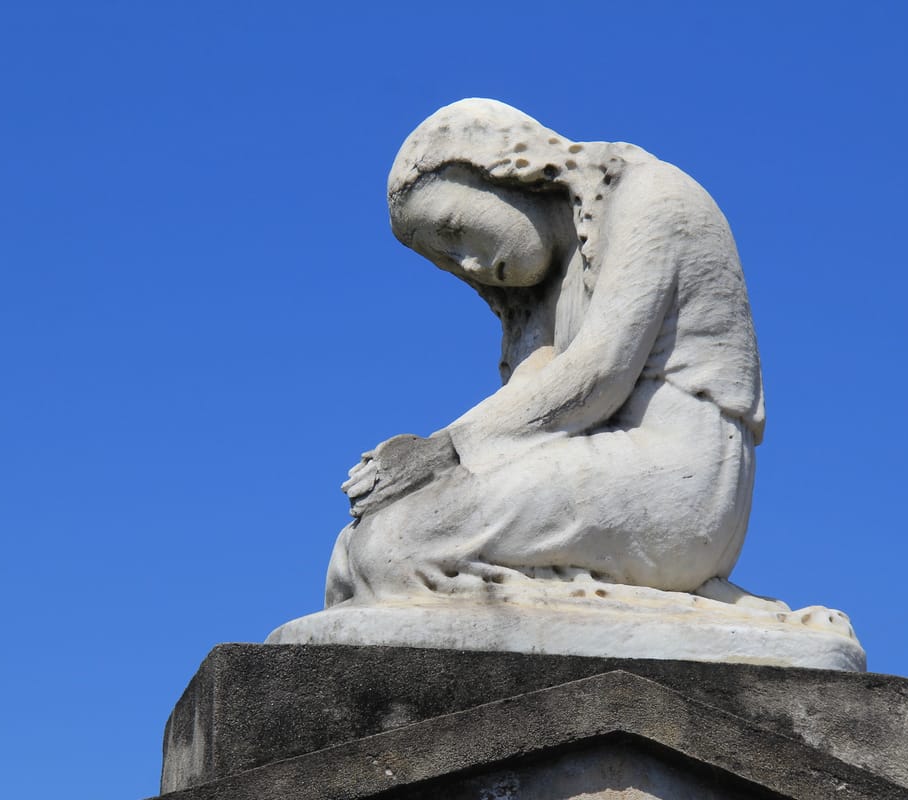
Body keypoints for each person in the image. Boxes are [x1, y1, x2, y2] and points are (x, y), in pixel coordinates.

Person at [326, 99, 766, 609]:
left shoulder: (651, 196)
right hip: (595, 465)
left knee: (392, 549)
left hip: (679, 485)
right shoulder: (540, 290)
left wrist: (441, 452)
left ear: (500, 168)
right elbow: (530, 398)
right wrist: (417, 456)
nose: (468, 261)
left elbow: (600, 376)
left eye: (453, 229)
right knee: (354, 549)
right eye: (446, 259)